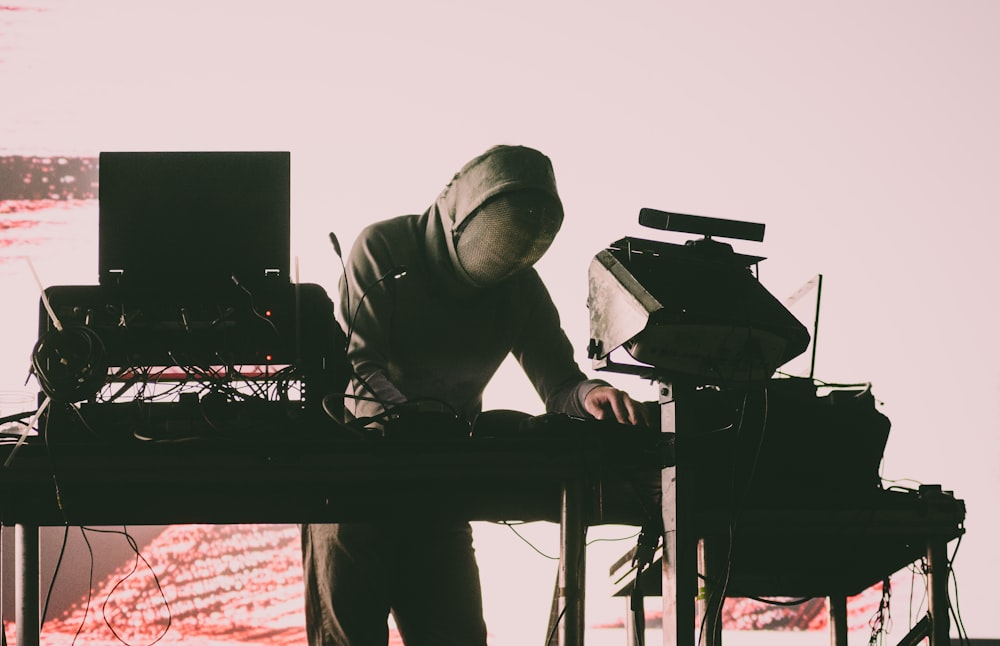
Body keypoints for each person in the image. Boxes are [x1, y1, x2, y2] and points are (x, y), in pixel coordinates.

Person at [301, 144, 652, 645]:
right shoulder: (382, 248)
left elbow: (560, 383)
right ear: (457, 214)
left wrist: (592, 393)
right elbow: (361, 364)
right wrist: (413, 422)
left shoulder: (519, 288)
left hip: (442, 494)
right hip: (356, 490)